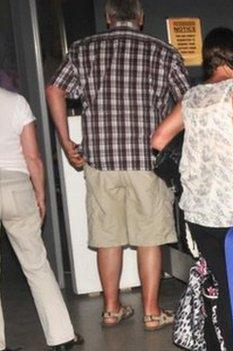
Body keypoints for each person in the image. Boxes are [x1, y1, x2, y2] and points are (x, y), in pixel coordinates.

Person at [45, 0, 189, 331]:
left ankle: (111, 308)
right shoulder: (162, 51)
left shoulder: (83, 49)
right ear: (140, 18)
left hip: (100, 161)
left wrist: (67, 142)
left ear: (108, 18)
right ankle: (152, 312)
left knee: (107, 237)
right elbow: (187, 100)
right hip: (145, 162)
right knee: (149, 238)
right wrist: (162, 134)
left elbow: (54, 88)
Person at [151, 27, 233, 349]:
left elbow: (157, 140)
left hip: (198, 210)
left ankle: (214, 342)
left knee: (216, 283)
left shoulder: (192, 96)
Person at [0, 87, 83, 350]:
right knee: (36, 264)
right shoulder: (16, 102)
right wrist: (40, 194)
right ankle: (61, 337)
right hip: (15, 185)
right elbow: (33, 157)